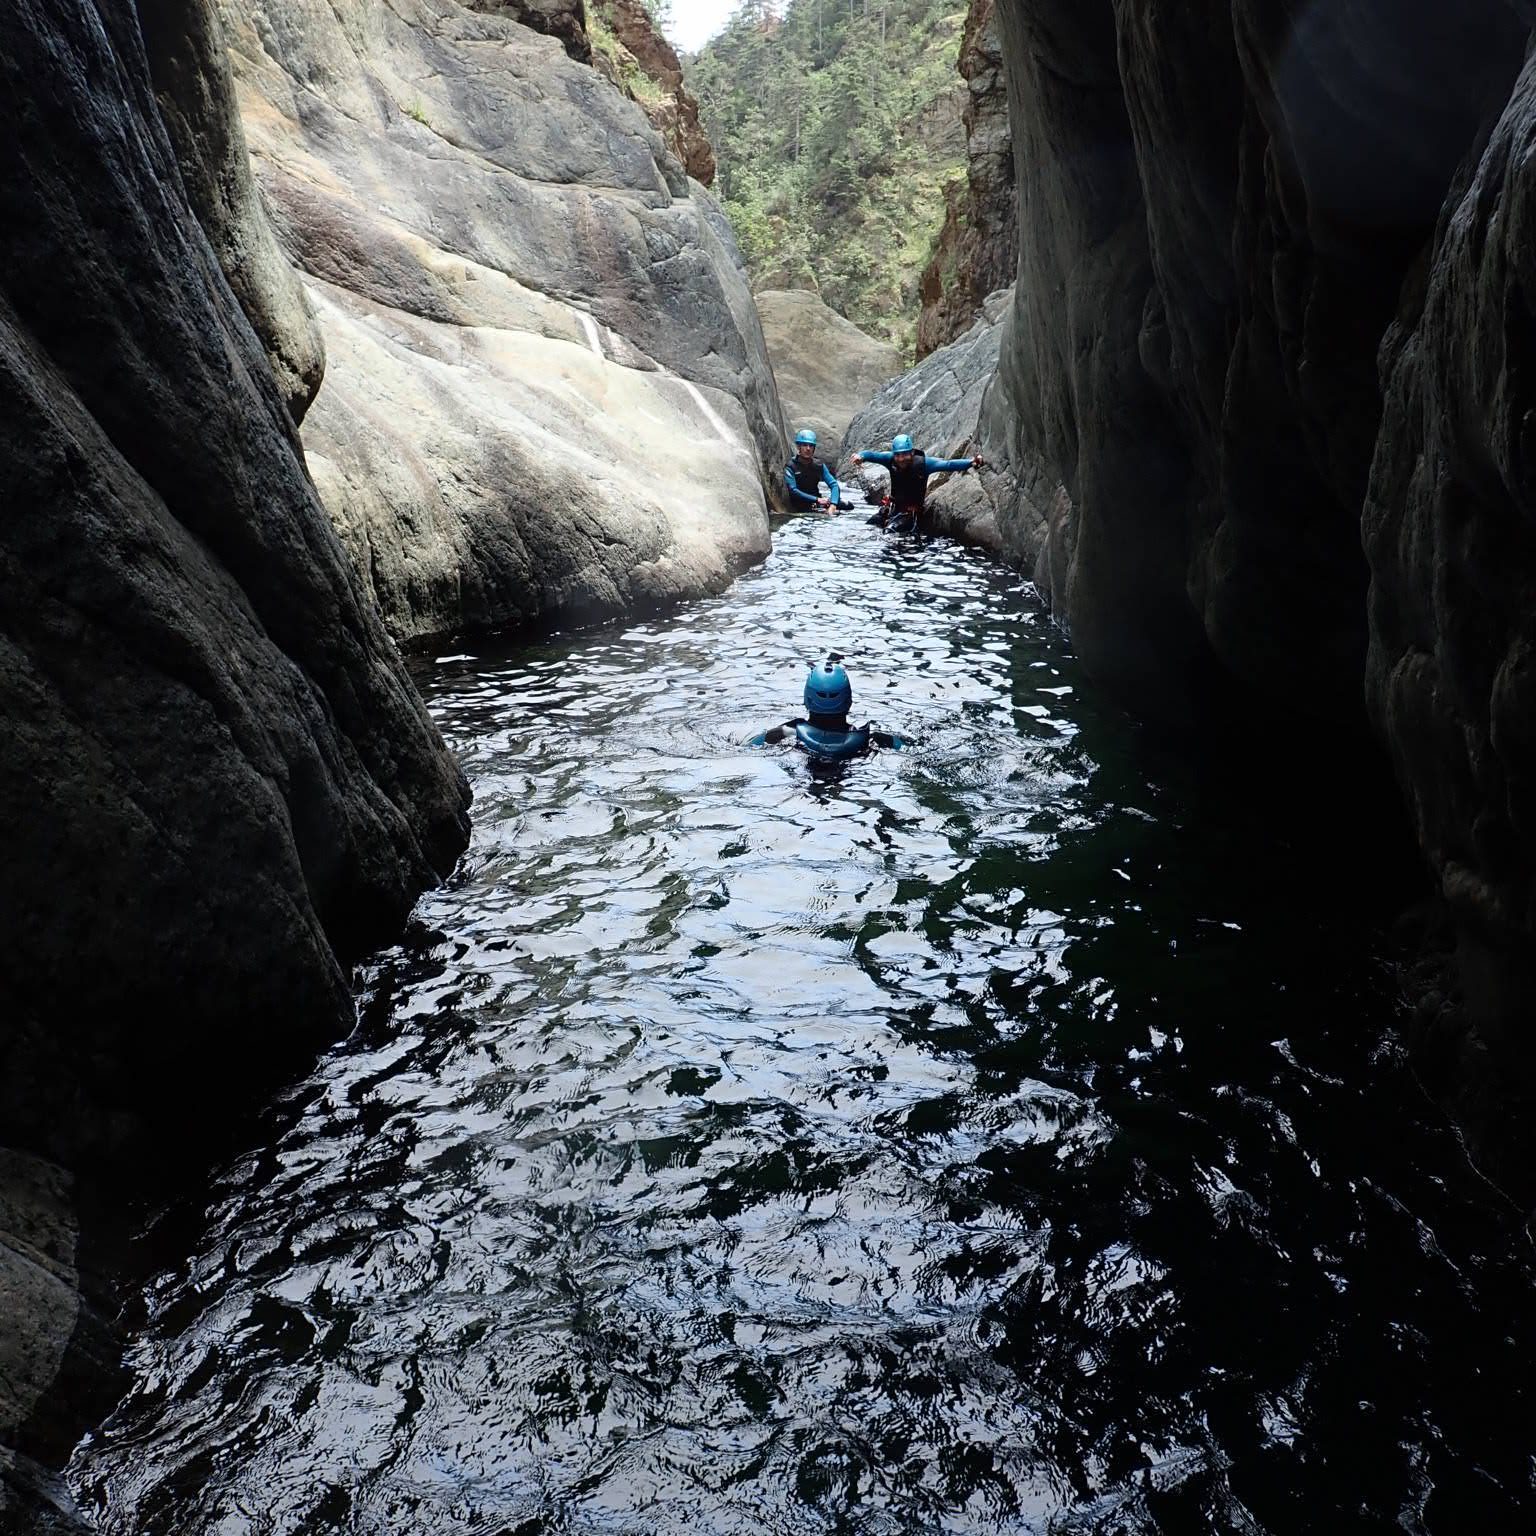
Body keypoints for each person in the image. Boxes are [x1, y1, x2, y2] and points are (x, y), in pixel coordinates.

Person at [750, 657, 905, 759]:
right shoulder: (872, 739)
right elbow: (907, 748)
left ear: (807, 699)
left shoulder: (783, 734)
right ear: (848, 700)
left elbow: (749, 746)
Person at [851, 433, 984, 532]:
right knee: (870, 524)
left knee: (890, 532)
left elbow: (948, 464)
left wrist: (971, 462)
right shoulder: (890, 459)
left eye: (904, 454)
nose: (901, 459)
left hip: (911, 513)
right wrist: (860, 457)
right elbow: (872, 455)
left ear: (912, 452)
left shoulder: (924, 464)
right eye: (897, 455)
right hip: (893, 508)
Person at [784, 428, 842, 514]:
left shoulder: (819, 465)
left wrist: (833, 504)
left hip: (816, 502)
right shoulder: (791, 466)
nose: (808, 449)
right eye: (805, 445)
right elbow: (793, 491)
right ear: (799, 447)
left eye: (811, 446)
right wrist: (817, 499)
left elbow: (834, 485)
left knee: (848, 505)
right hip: (801, 503)